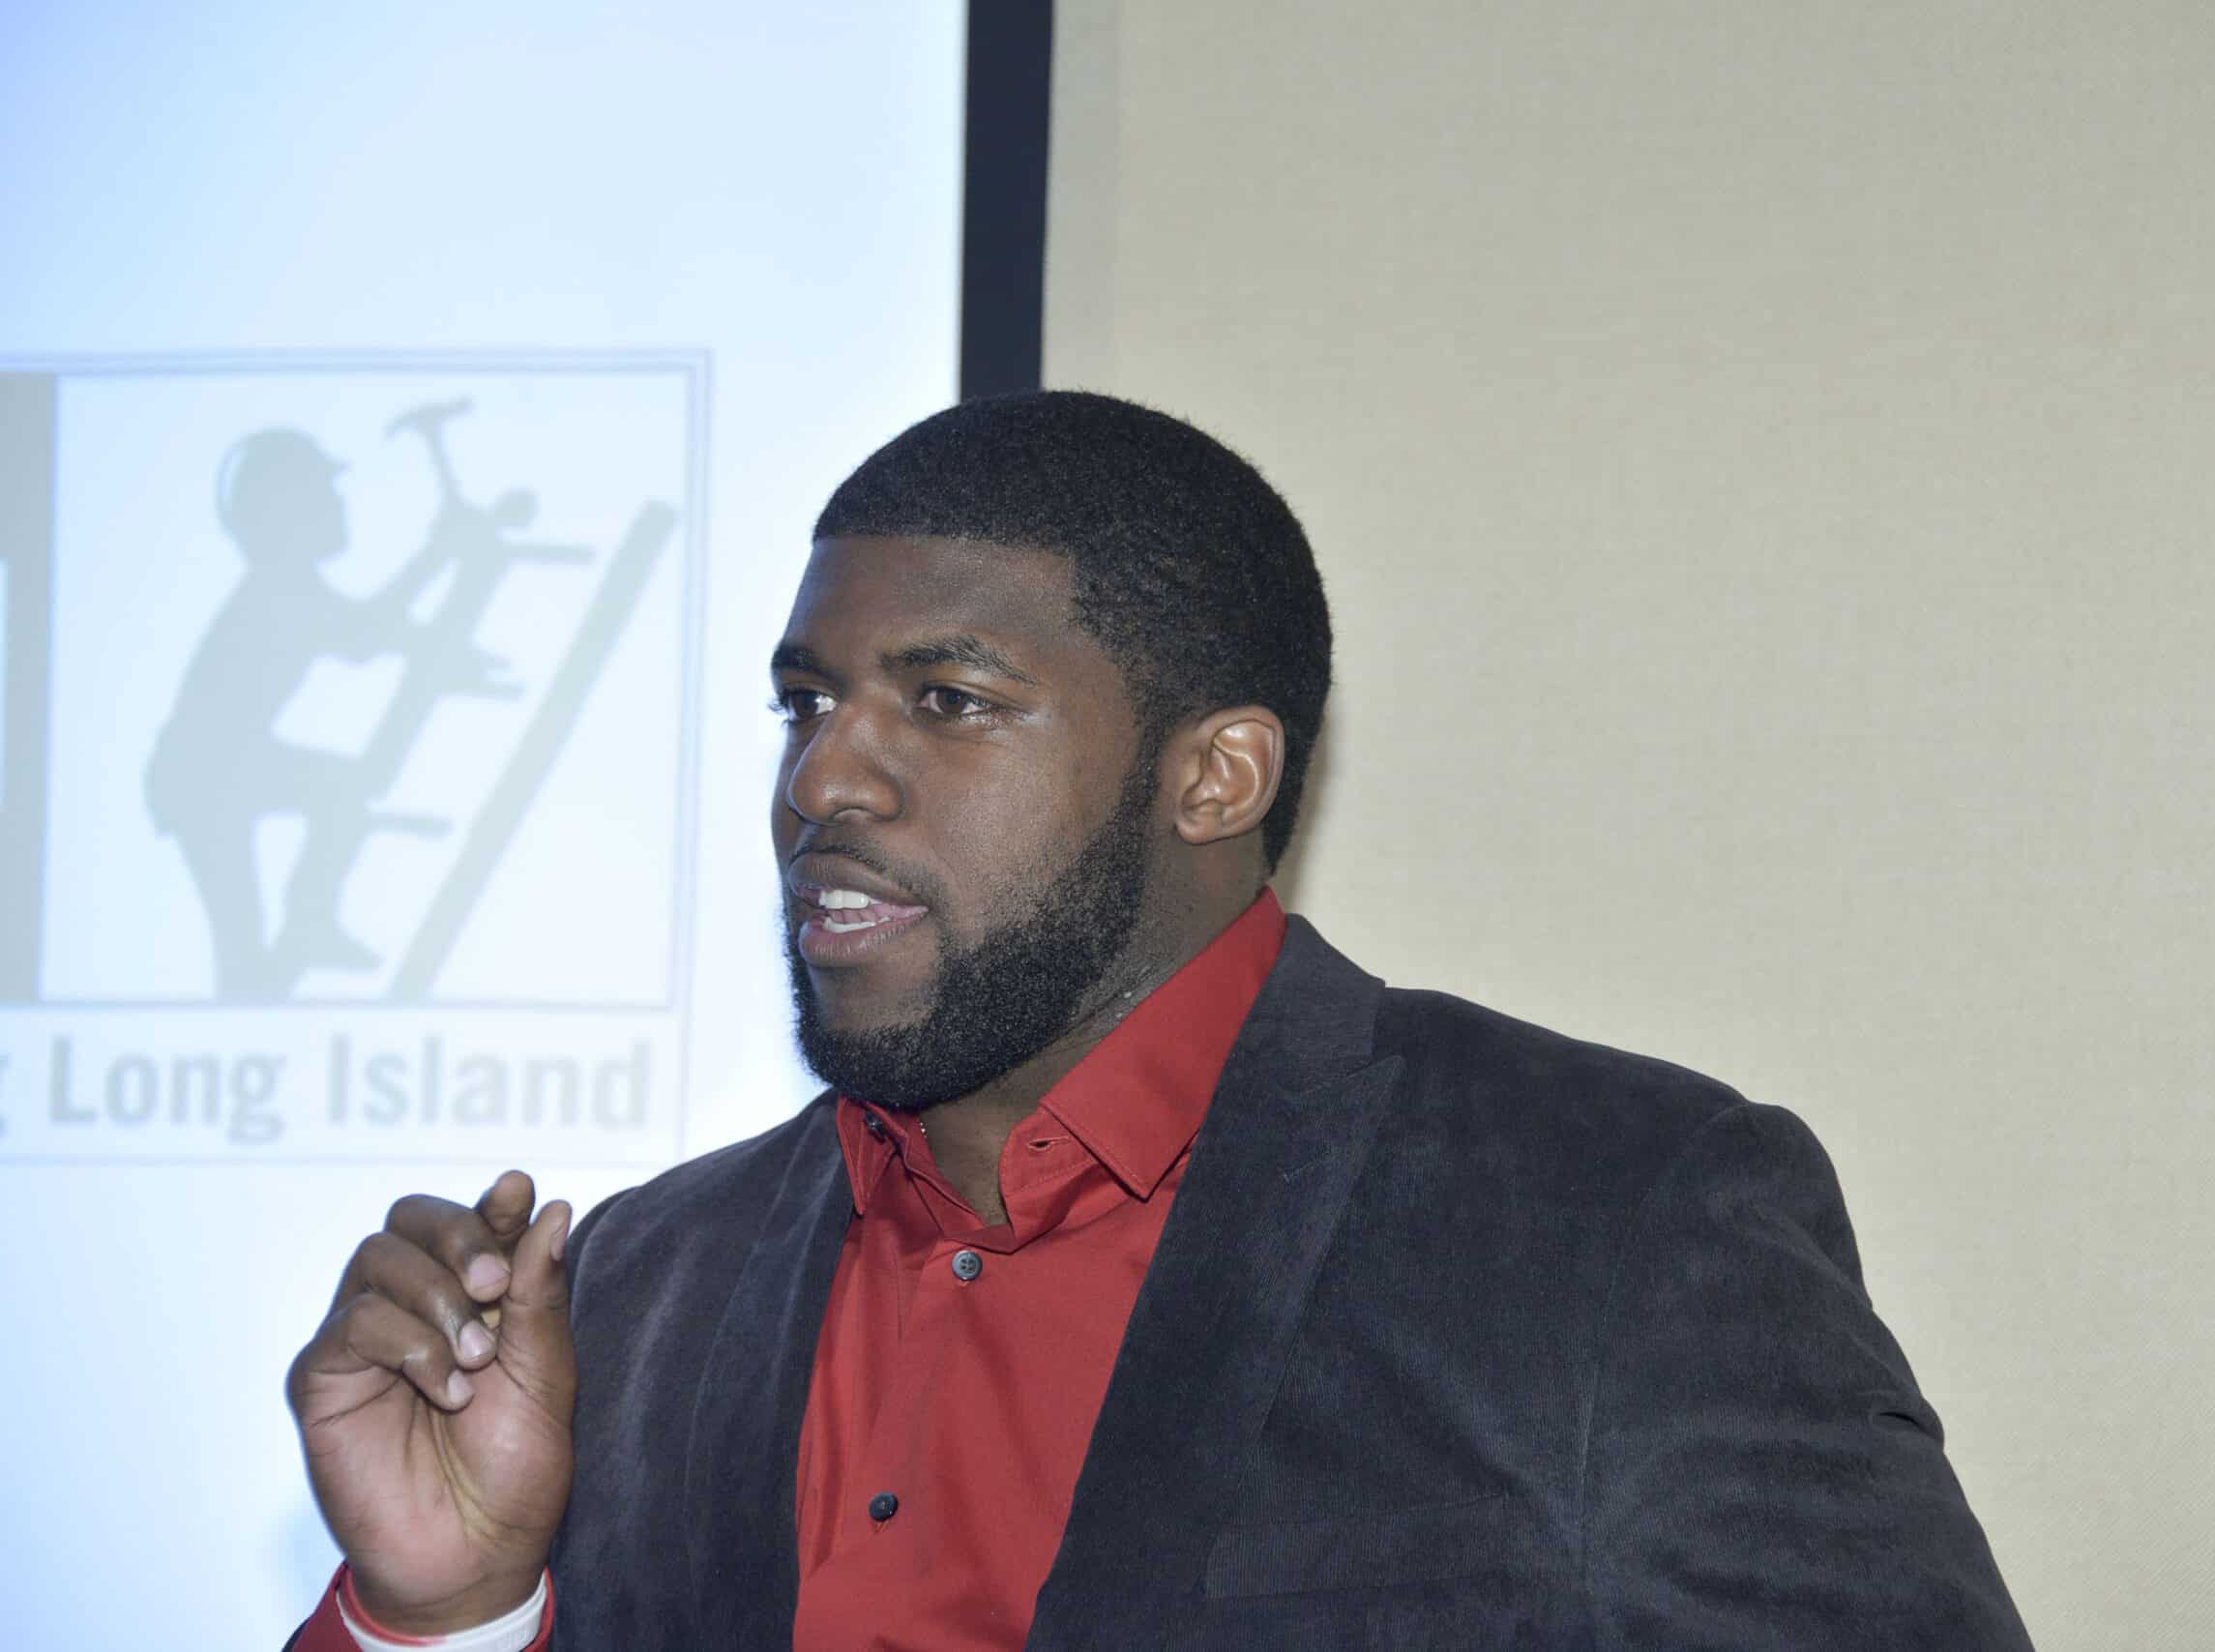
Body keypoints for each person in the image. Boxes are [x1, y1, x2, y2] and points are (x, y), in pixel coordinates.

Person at [283, 391, 2034, 1650]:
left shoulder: (1616, 1218)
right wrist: (440, 1614)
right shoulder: (643, 1292)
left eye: (946, 701)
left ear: (1216, 774)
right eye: (803, 703)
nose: (823, 777)